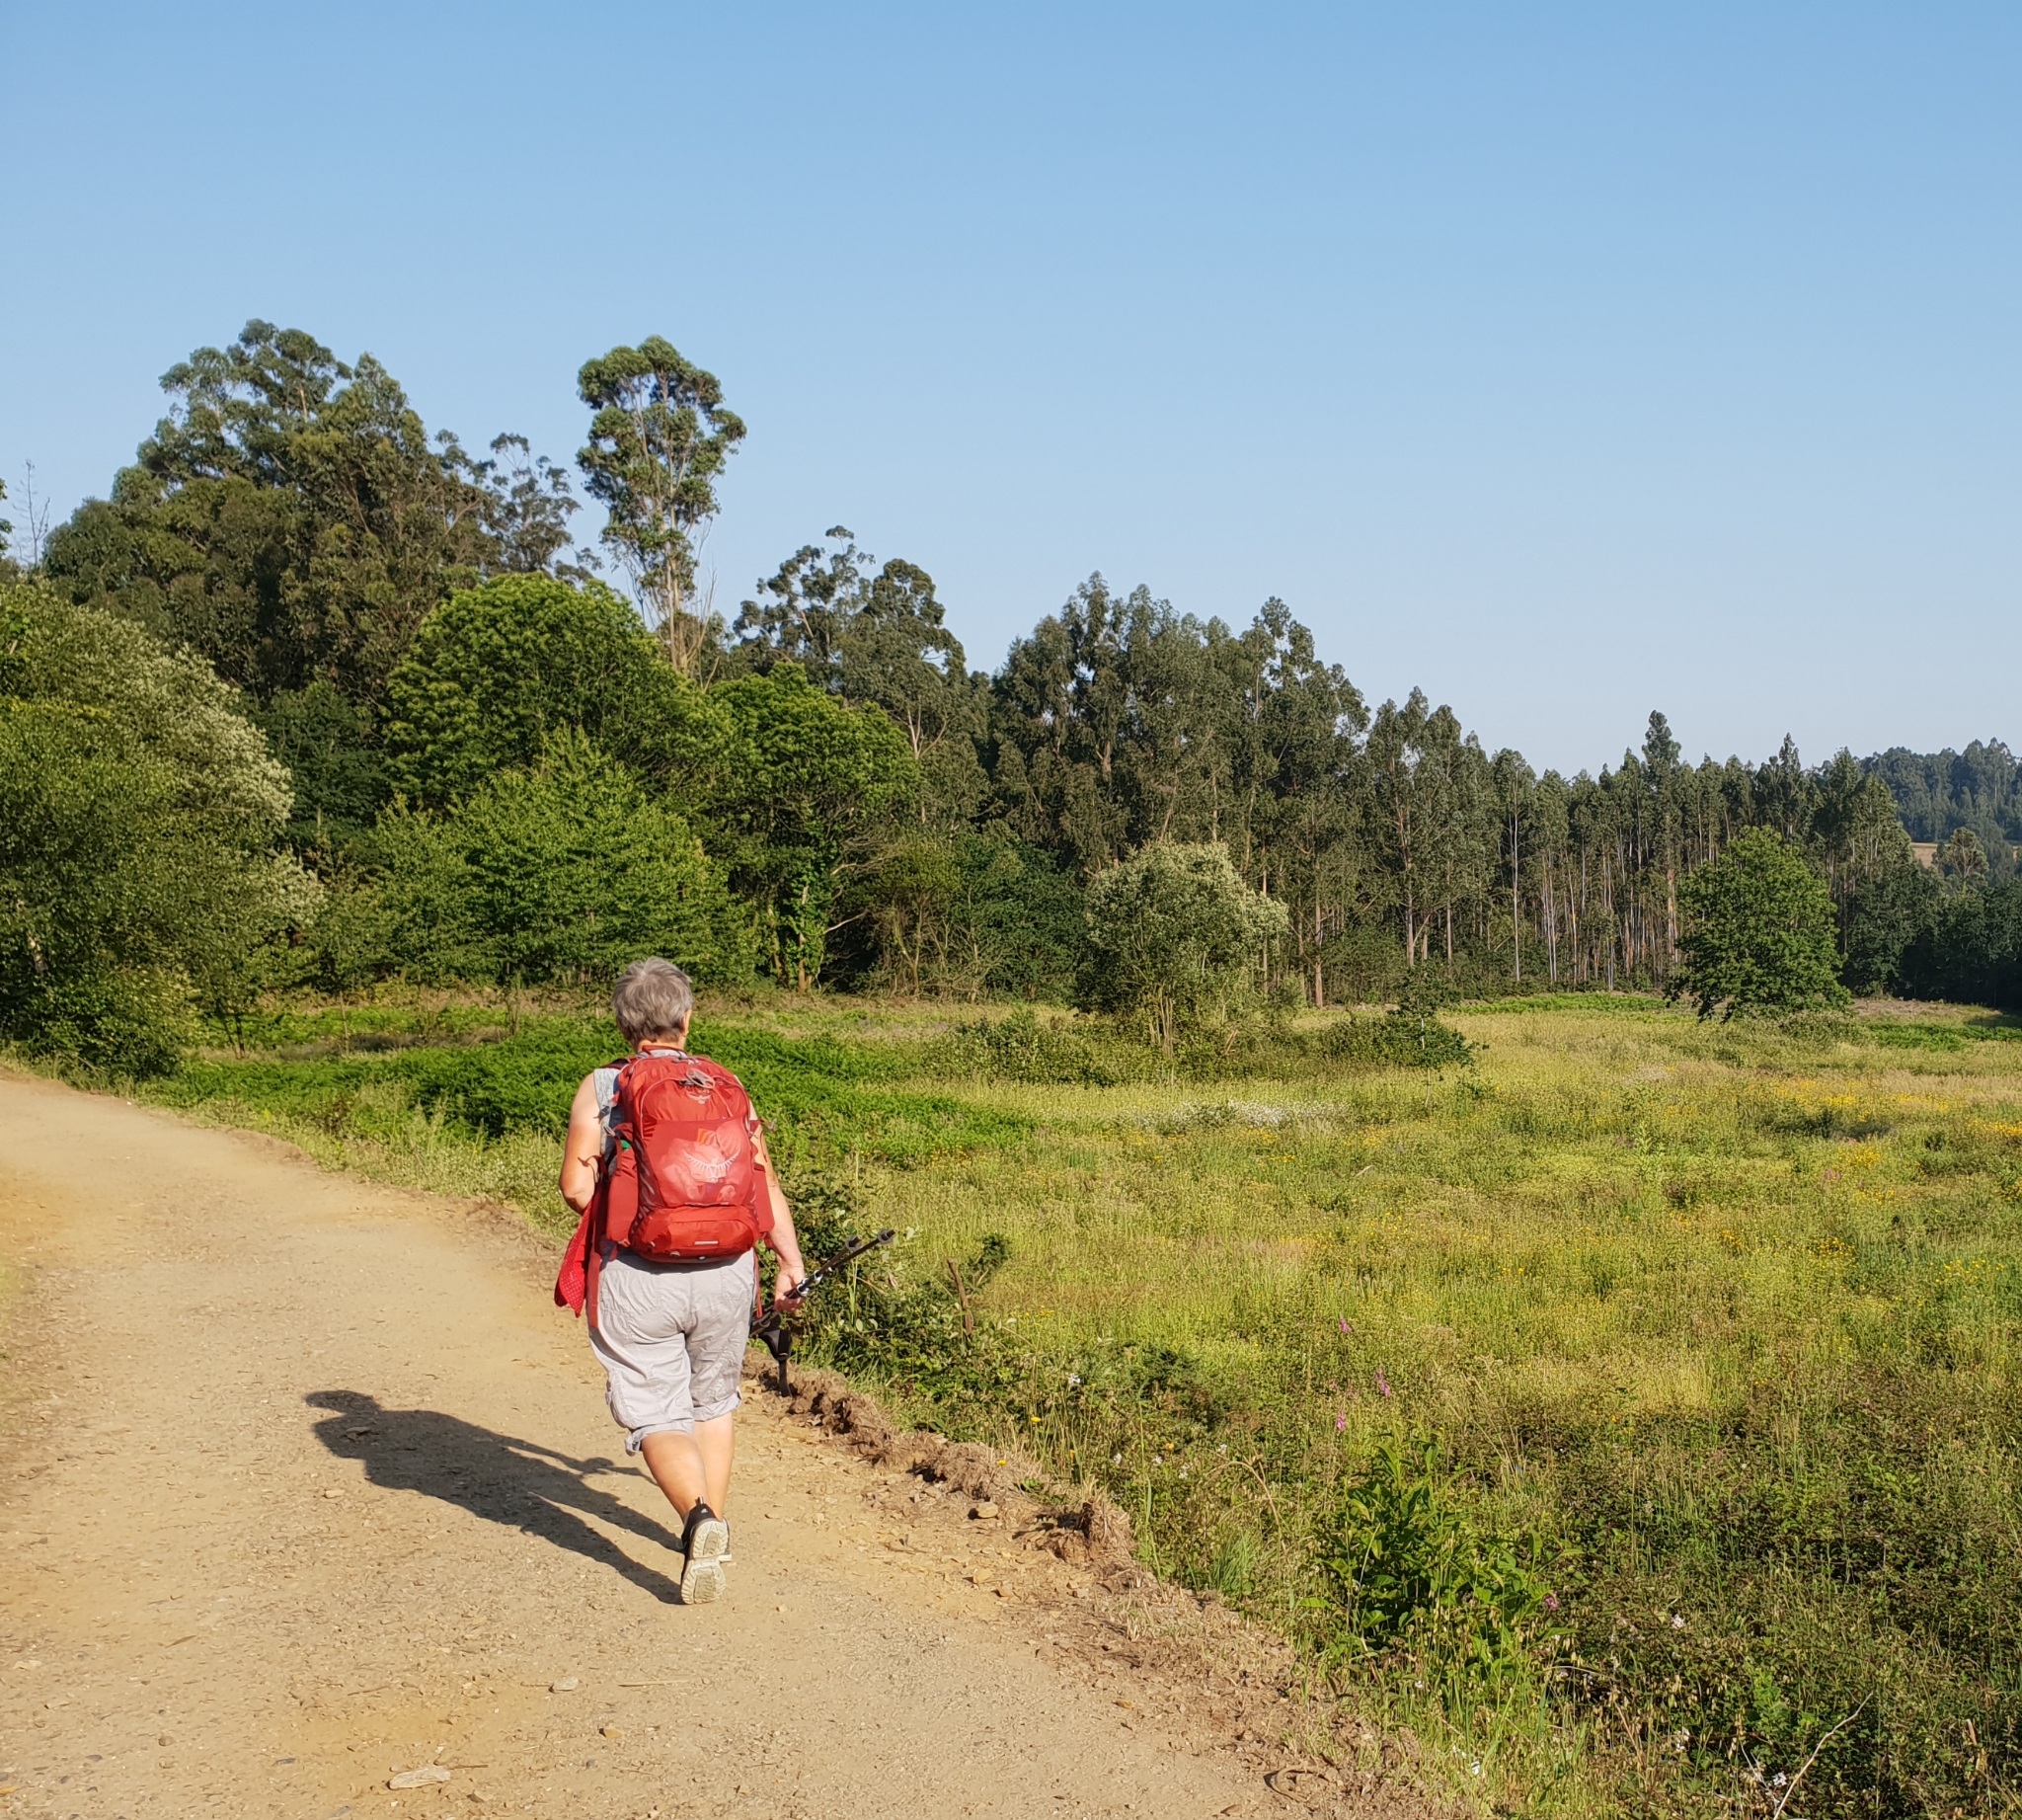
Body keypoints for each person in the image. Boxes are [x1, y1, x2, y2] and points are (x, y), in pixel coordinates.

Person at [559, 958, 807, 1605]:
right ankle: (712, 1533)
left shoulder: (603, 1088)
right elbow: (763, 1183)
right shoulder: (725, 1084)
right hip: (728, 1269)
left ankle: (697, 1519)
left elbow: (576, 1188)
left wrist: (632, 1206)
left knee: (653, 1409)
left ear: (621, 1023)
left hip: (641, 1275)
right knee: (713, 1402)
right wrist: (791, 1261)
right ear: (688, 1018)